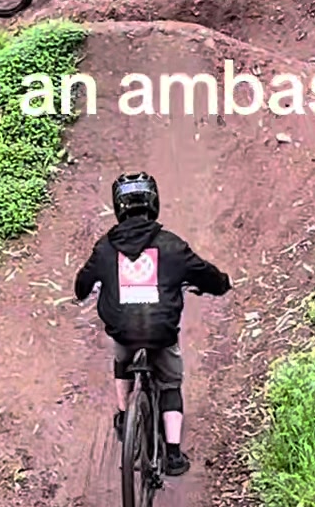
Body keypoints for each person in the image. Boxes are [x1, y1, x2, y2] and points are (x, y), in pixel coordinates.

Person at [73, 172, 231, 477]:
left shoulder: (105, 248)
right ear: (153, 202)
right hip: (161, 333)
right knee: (170, 382)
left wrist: (86, 291)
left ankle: (124, 415)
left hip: (123, 331)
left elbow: (82, 284)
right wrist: (221, 283)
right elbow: (205, 273)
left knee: (122, 358)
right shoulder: (171, 245)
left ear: (118, 207)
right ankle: (173, 454)